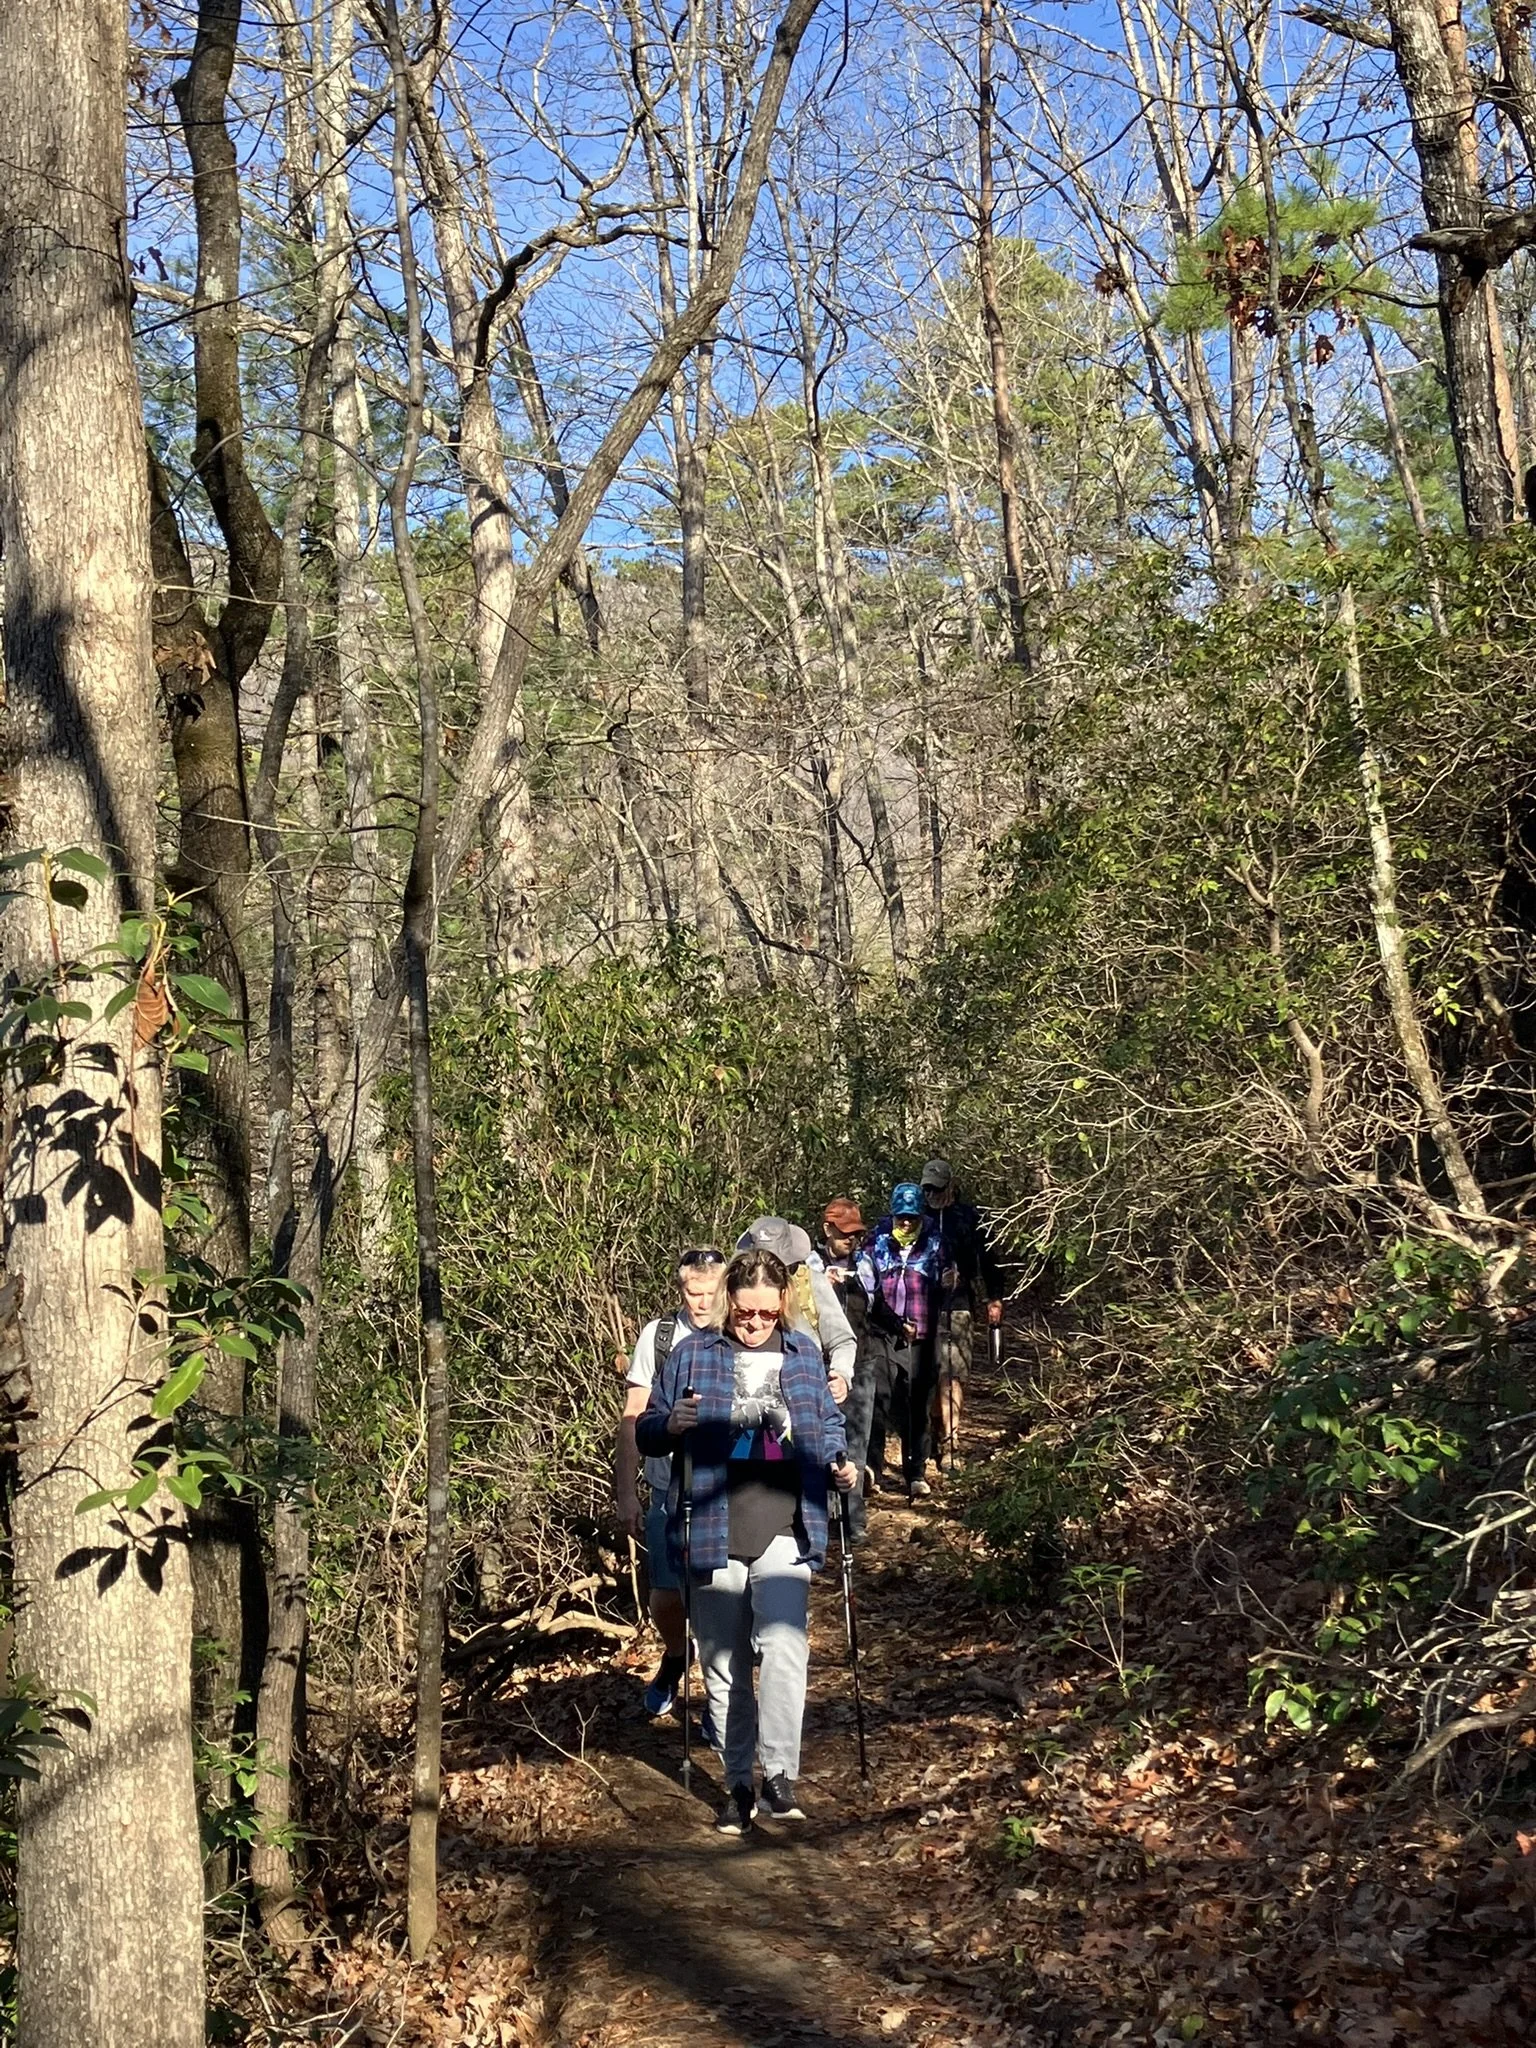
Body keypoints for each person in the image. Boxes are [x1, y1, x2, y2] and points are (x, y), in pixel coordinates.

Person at [636, 1247, 854, 1835]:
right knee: (724, 1662)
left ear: (783, 1304)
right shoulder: (691, 1354)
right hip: (710, 1525)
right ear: (729, 1300)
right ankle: (737, 1784)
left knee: (785, 1646)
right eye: (744, 1313)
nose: (755, 1323)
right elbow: (648, 1428)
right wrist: (670, 1424)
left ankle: (779, 1775)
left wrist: (843, 1464)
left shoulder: (804, 1354)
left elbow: (830, 1427)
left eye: (766, 1313)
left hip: (788, 1523)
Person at [614, 1246, 726, 1717]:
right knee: (665, 1595)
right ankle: (678, 1655)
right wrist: (625, 1493)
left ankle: (721, 1708)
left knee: (719, 1599)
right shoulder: (658, 1337)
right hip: (666, 1486)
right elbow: (633, 1415)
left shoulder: (740, 1331)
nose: (701, 1302)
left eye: (710, 1291)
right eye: (691, 1291)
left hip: (723, 1488)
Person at [857, 1182, 946, 1501]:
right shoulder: (877, 1241)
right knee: (879, 1401)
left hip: (923, 1334)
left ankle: (916, 1472)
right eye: (901, 1217)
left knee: (918, 1403)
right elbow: (866, 1283)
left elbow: (947, 1281)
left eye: (912, 1217)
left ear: (920, 1215)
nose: (906, 1223)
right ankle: (873, 1469)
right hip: (884, 1332)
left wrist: (950, 1282)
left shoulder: (936, 1241)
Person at [920, 1157, 1005, 1472]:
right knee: (929, 1375)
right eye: (927, 1189)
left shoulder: (969, 1218)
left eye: (937, 1188)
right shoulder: (917, 1218)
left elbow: (989, 1259)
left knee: (952, 1374)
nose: (932, 1195)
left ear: (950, 1186)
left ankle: (951, 1443)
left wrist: (994, 1297)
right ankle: (931, 1434)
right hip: (923, 1305)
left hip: (958, 1304)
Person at [735, 1215, 857, 1405]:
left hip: (805, 1394)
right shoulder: (736, 1286)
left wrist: (841, 1375)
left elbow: (842, 1340)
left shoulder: (811, 1283)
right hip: (749, 1398)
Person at [814, 1196, 873, 1537]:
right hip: (819, 1367)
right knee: (819, 1441)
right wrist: (824, 1285)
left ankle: (853, 1520)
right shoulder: (808, 1265)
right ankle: (820, 1516)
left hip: (861, 1363)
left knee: (856, 1444)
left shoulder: (865, 1263)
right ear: (828, 1230)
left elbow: (878, 1303)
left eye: (856, 1233)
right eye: (844, 1232)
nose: (850, 1239)